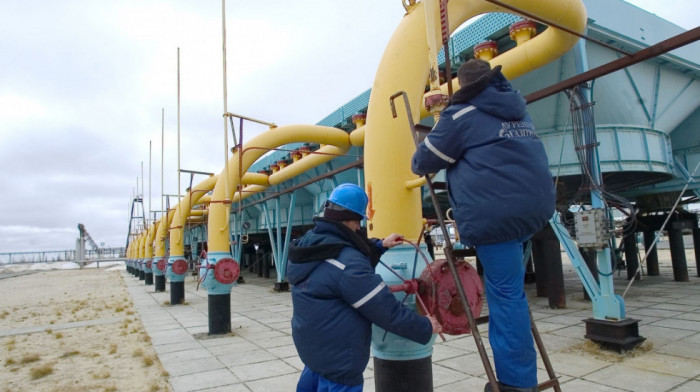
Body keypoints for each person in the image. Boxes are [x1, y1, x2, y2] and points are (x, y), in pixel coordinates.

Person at [411, 59, 555, 392]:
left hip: (497, 214)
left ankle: (516, 383)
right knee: (511, 290)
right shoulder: (519, 110)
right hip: (534, 209)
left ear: (464, 87)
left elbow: (422, 162)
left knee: (506, 297)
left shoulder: (460, 116)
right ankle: (521, 373)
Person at [288, 183, 442, 392]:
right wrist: (425, 326)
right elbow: (384, 310)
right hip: (340, 361)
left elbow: (343, 260)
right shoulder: (348, 263)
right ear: (349, 218)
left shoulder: (309, 243)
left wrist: (380, 246)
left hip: (313, 351)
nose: (359, 227)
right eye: (358, 221)